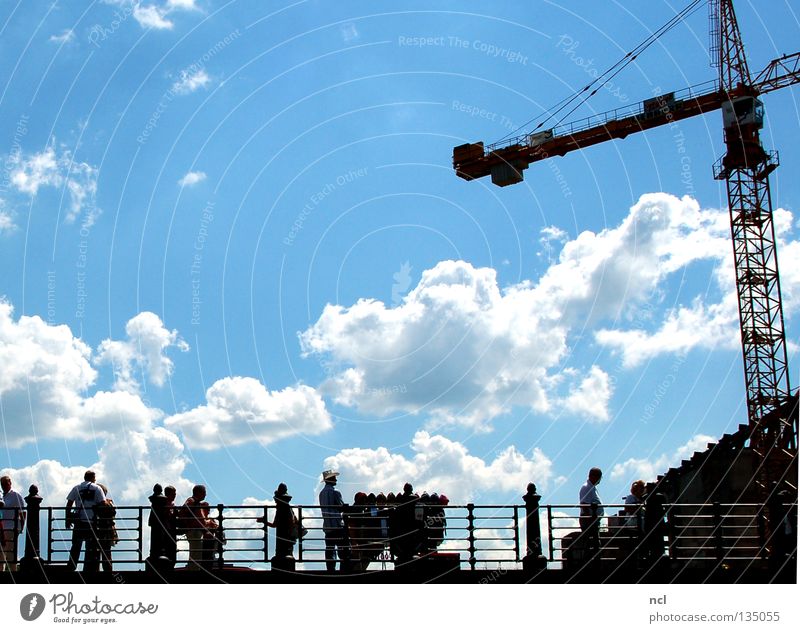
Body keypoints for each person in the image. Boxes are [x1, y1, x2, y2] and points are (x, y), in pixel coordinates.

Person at [65, 470, 106, 572]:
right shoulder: (97, 488)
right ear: (93, 478)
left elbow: (69, 504)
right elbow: (103, 503)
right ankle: (87, 569)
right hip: (91, 521)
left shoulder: (76, 488)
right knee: (90, 547)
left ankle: (71, 567)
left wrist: (68, 519)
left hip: (78, 521)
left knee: (76, 546)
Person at [180, 484, 218, 571]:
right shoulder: (192, 501)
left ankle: (195, 571)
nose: (205, 494)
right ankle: (193, 573)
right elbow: (185, 512)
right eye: (204, 492)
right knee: (195, 554)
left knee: (197, 553)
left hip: (195, 531)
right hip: (194, 531)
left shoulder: (195, 502)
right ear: (199, 492)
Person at [319, 470, 349, 572]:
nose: (336, 479)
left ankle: (330, 569)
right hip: (337, 525)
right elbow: (341, 507)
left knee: (330, 549)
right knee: (342, 550)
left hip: (327, 526)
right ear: (331, 480)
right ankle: (343, 570)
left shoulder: (321, 493)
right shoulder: (335, 492)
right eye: (334, 478)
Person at [1, 475, 26, 572]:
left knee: (10, 552)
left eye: (6, 483)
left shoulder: (15, 495)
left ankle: (13, 572)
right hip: (3, 528)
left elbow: (22, 512)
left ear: (10, 483)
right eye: (2, 484)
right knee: (2, 553)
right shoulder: (2, 496)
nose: (4, 486)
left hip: (11, 527)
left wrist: (21, 527)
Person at [267, 483, 296, 560]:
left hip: (283, 541)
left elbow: (274, 524)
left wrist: (264, 522)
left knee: (283, 554)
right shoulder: (288, 508)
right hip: (288, 538)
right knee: (288, 554)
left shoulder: (280, 510)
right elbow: (292, 521)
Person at [579, 467, 604, 549]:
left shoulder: (591, 487)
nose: (600, 479)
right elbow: (584, 504)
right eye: (599, 476)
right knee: (591, 543)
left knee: (594, 543)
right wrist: (590, 518)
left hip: (592, 519)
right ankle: (590, 559)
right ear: (593, 476)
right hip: (589, 520)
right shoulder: (586, 487)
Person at [95, 484, 118, 573]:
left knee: (96, 552)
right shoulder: (109, 503)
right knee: (107, 552)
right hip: (108, 530)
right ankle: (108, 571)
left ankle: (97, 570)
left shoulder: (99, 503)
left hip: (99, 529)